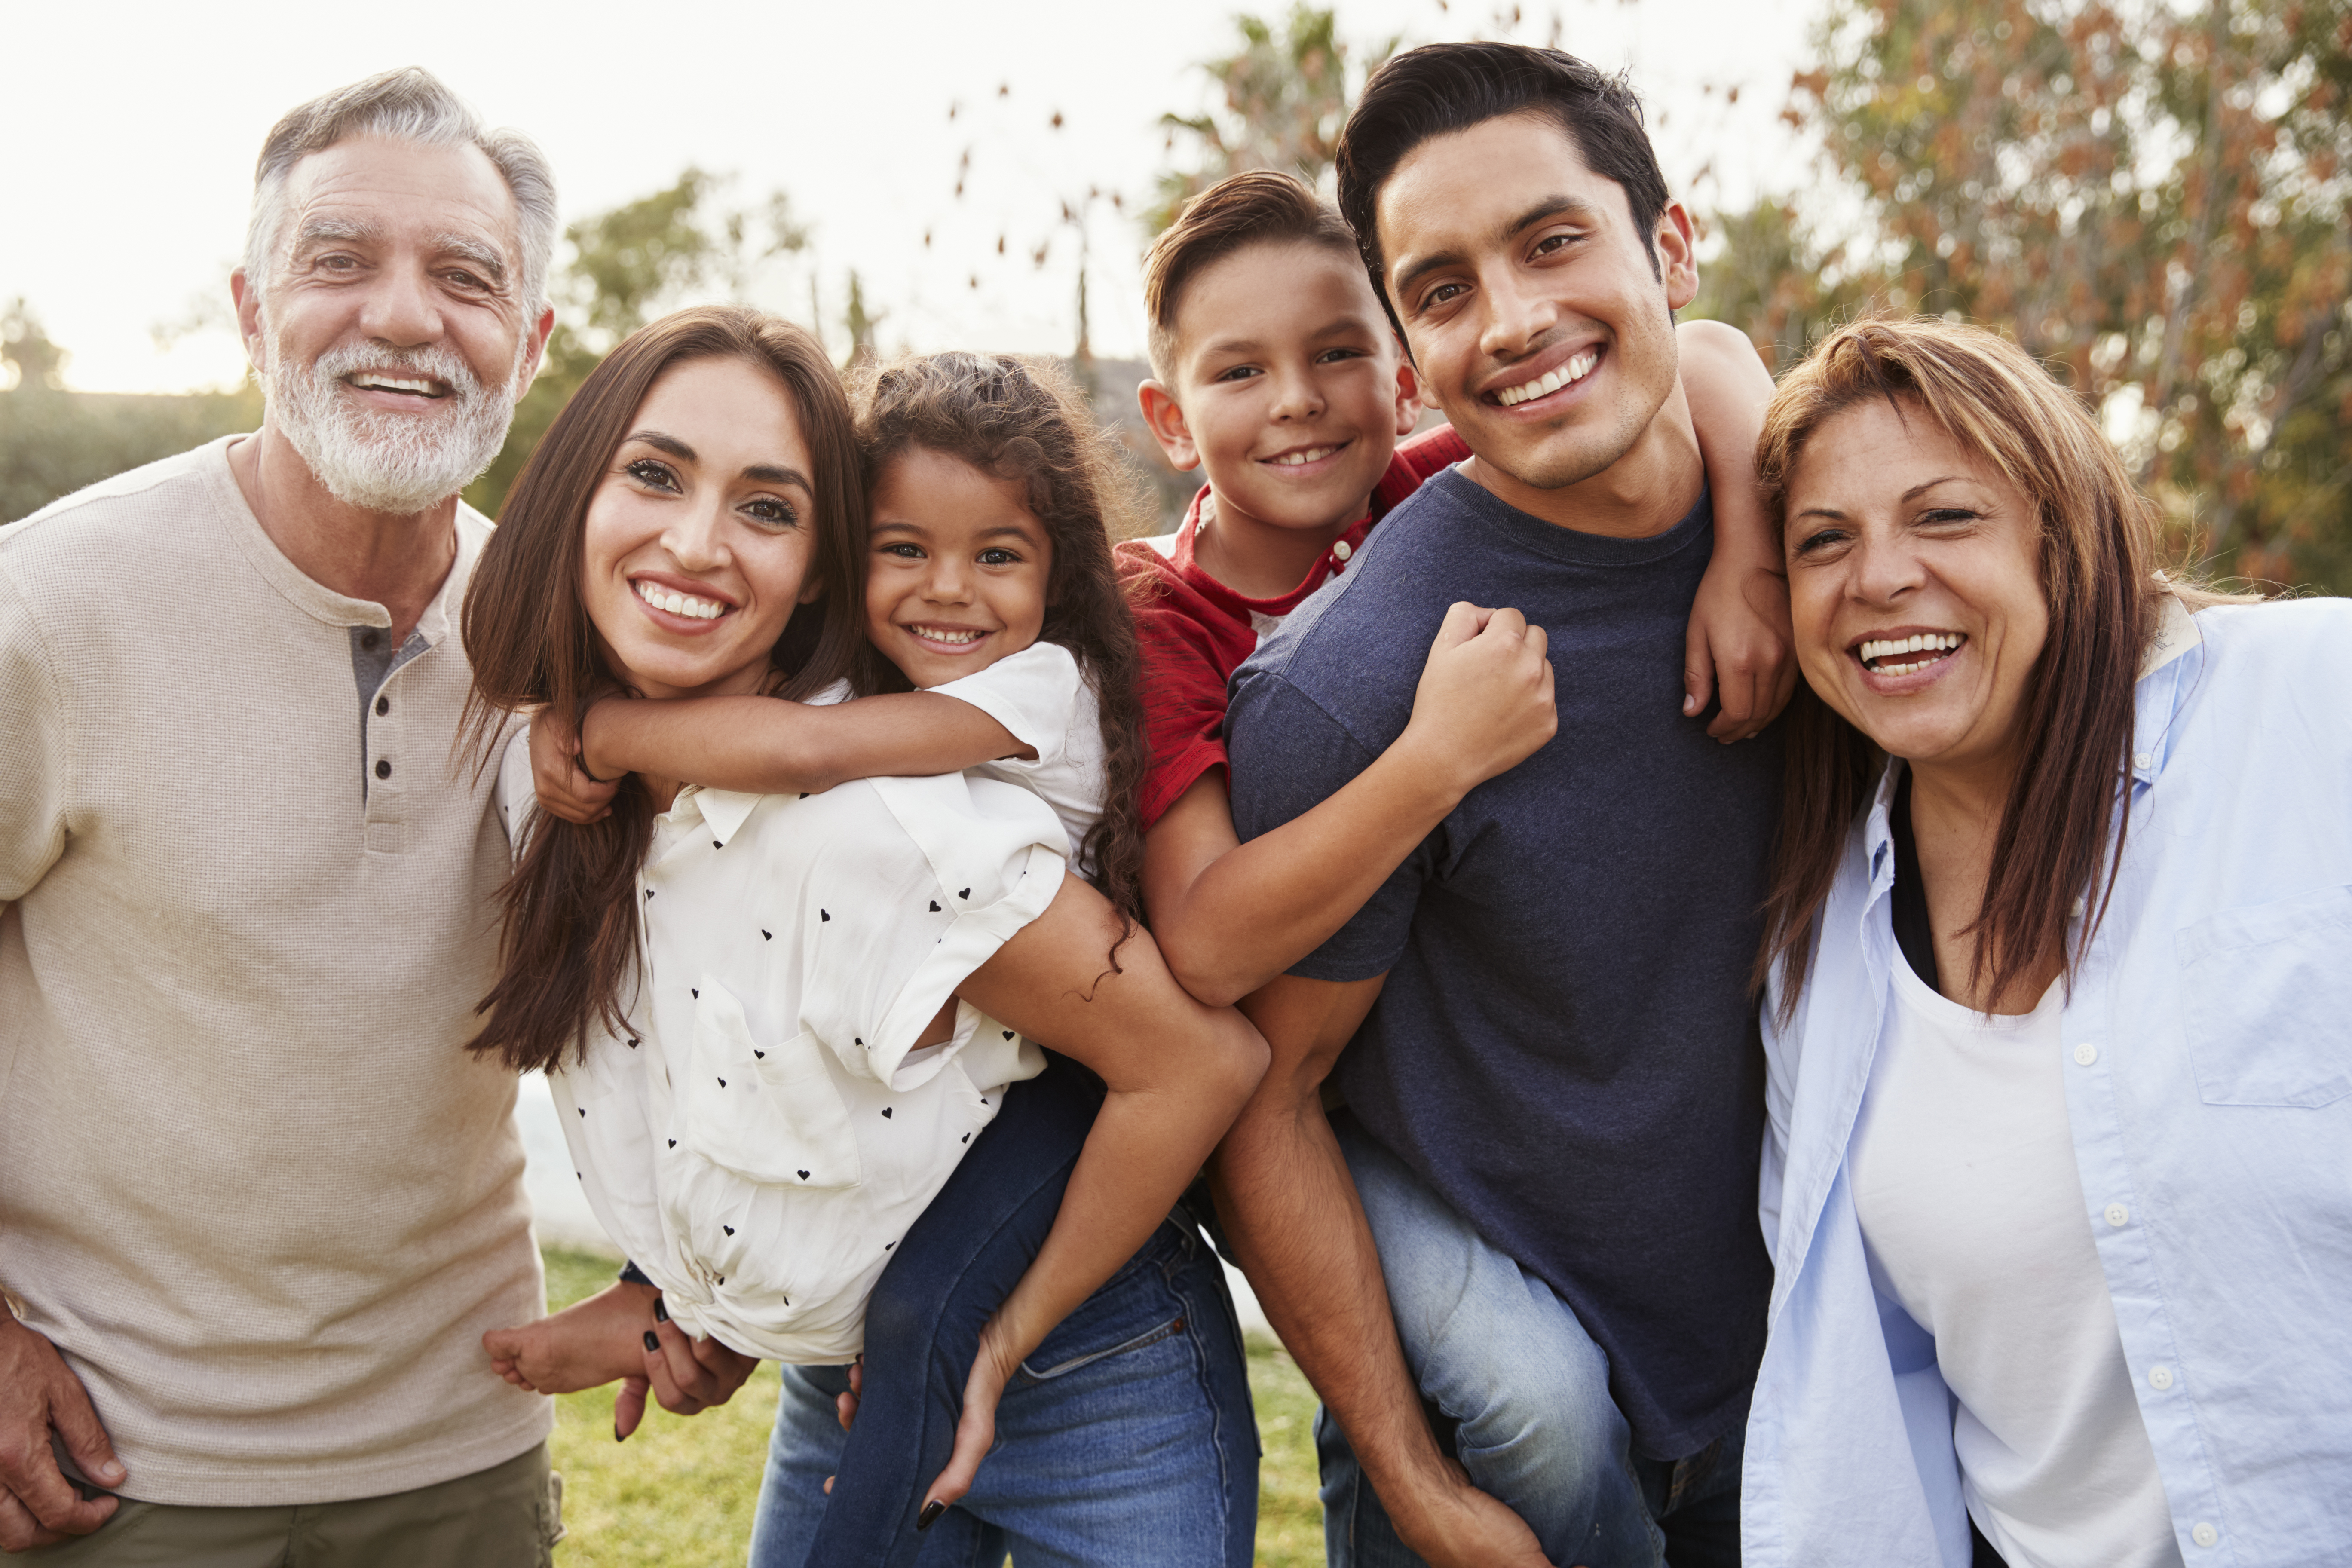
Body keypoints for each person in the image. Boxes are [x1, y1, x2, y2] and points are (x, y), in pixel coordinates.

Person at [473, 324, 1268, 1568]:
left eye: (766, 507)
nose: (696, 541)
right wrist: (702, 1308)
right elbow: (752, 1081)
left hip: (1091, 1350)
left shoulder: (901, 814)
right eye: (654, 475)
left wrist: (611, 728)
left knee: (917, 1336)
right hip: (845, 1328)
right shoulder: (586, 778)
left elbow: (1198, 1062)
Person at [0, 67, 649, 1563]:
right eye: (341, 261)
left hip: (463, 1457)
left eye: (466, 279)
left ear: (530, 340)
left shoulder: (570, 646)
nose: (408, 317)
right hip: (111, 1469)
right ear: (250, 314)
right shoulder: (52, 606)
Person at [1213, 44, 1794, 1568]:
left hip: (1805, 1392)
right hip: (1509, 1457)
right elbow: (1267, 1098)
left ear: (1667, 248)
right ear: (1409, 352)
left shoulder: (1825, 546)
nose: (1517, 319)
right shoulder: (1360, 691)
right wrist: (1414, 1474)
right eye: (1448, 287)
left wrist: (1754, 536)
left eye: (1552, 242)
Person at [1741, 315, 2352, 1568]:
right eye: (1824, 543)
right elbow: (1880, 1406)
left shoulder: (2313, 705)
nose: (1882, 578)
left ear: (2062, 544)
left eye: (1946, 518)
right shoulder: (1817, 971)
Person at [1120, 168, 1787, 1016]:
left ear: (1406, 387)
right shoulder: (1156, 610)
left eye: (1336, 353)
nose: (1298, 400)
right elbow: (1206, 948)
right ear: (1173, 423)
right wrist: (1440, 759)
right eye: (1241, 372)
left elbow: (1703, 348)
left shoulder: (1420, 496)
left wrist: (1751, 558)